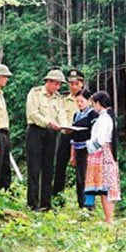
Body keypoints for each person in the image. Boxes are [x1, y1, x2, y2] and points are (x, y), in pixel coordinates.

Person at [25, 69, 67, 211]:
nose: (58, 87)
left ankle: (46, 203)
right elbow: (33, 113)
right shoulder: (35, 93)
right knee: (34, 168)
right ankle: (33, 203)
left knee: (49, 168)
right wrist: (48, 122)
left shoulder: (58, 98)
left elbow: (61, 114)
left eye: (59, 85)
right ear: (48, 82)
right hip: (36, 131)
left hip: (52, 133)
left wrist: (65, 127)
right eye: (56, 84)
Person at [83, 91, 121, 223]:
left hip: (102, 153)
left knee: (106, 188)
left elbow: (100, 139)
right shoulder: (105, 117)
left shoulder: (105, 119)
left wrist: (87, 145)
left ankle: (109, 219)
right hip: (101, 152)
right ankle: (108, 219)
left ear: (98, 104)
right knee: (103, 187)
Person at [52, 68, 85, 199]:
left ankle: (84, 201)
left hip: (81, 137)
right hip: (65, 134)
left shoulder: (87, 99)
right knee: (60, 166)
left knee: (82, 170)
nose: (74, 86)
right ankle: (57, 197)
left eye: (76, 83)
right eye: (71, 83)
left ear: (82, 84)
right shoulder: (63, 99)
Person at [68, 88, 98, 208]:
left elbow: (95, 134)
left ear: (89, 101)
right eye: (78, 102)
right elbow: (73, 137)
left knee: (88, 179)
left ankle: (90, 205)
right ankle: (81, 205)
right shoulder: (76, 115)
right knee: (80, 179)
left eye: (82, 101)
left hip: (89, 150)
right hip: (78, 149)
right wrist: (72, 154)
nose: (79, 104)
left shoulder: (93, 114)